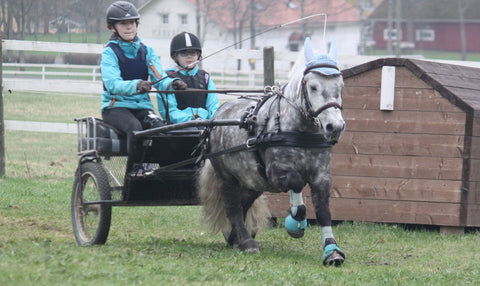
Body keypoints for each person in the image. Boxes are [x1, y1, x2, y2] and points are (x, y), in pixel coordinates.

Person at [101, 1, 187, 176]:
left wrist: (173, 83)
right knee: (135, 128)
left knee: (158, 127)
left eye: (132, 22)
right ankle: (135, 170)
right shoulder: (109, 53)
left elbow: (159, 77)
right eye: (123, 23)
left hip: (142, 107)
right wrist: (136, 85)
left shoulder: (147, 51)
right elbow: (112, 84)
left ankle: (161, 170)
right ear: (113, 27)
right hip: (116, 107)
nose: (129, 27)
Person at [157, 32, 219, 124]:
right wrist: (191, 121)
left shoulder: (205, 77)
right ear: (175, 56)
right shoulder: (167, 78)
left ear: (198, 56)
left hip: (205, 124)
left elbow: (213, 106)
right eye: (184, 53)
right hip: (178, 126)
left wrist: (210, 121)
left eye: (193, 53)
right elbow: (170, 111)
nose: (189, 56)